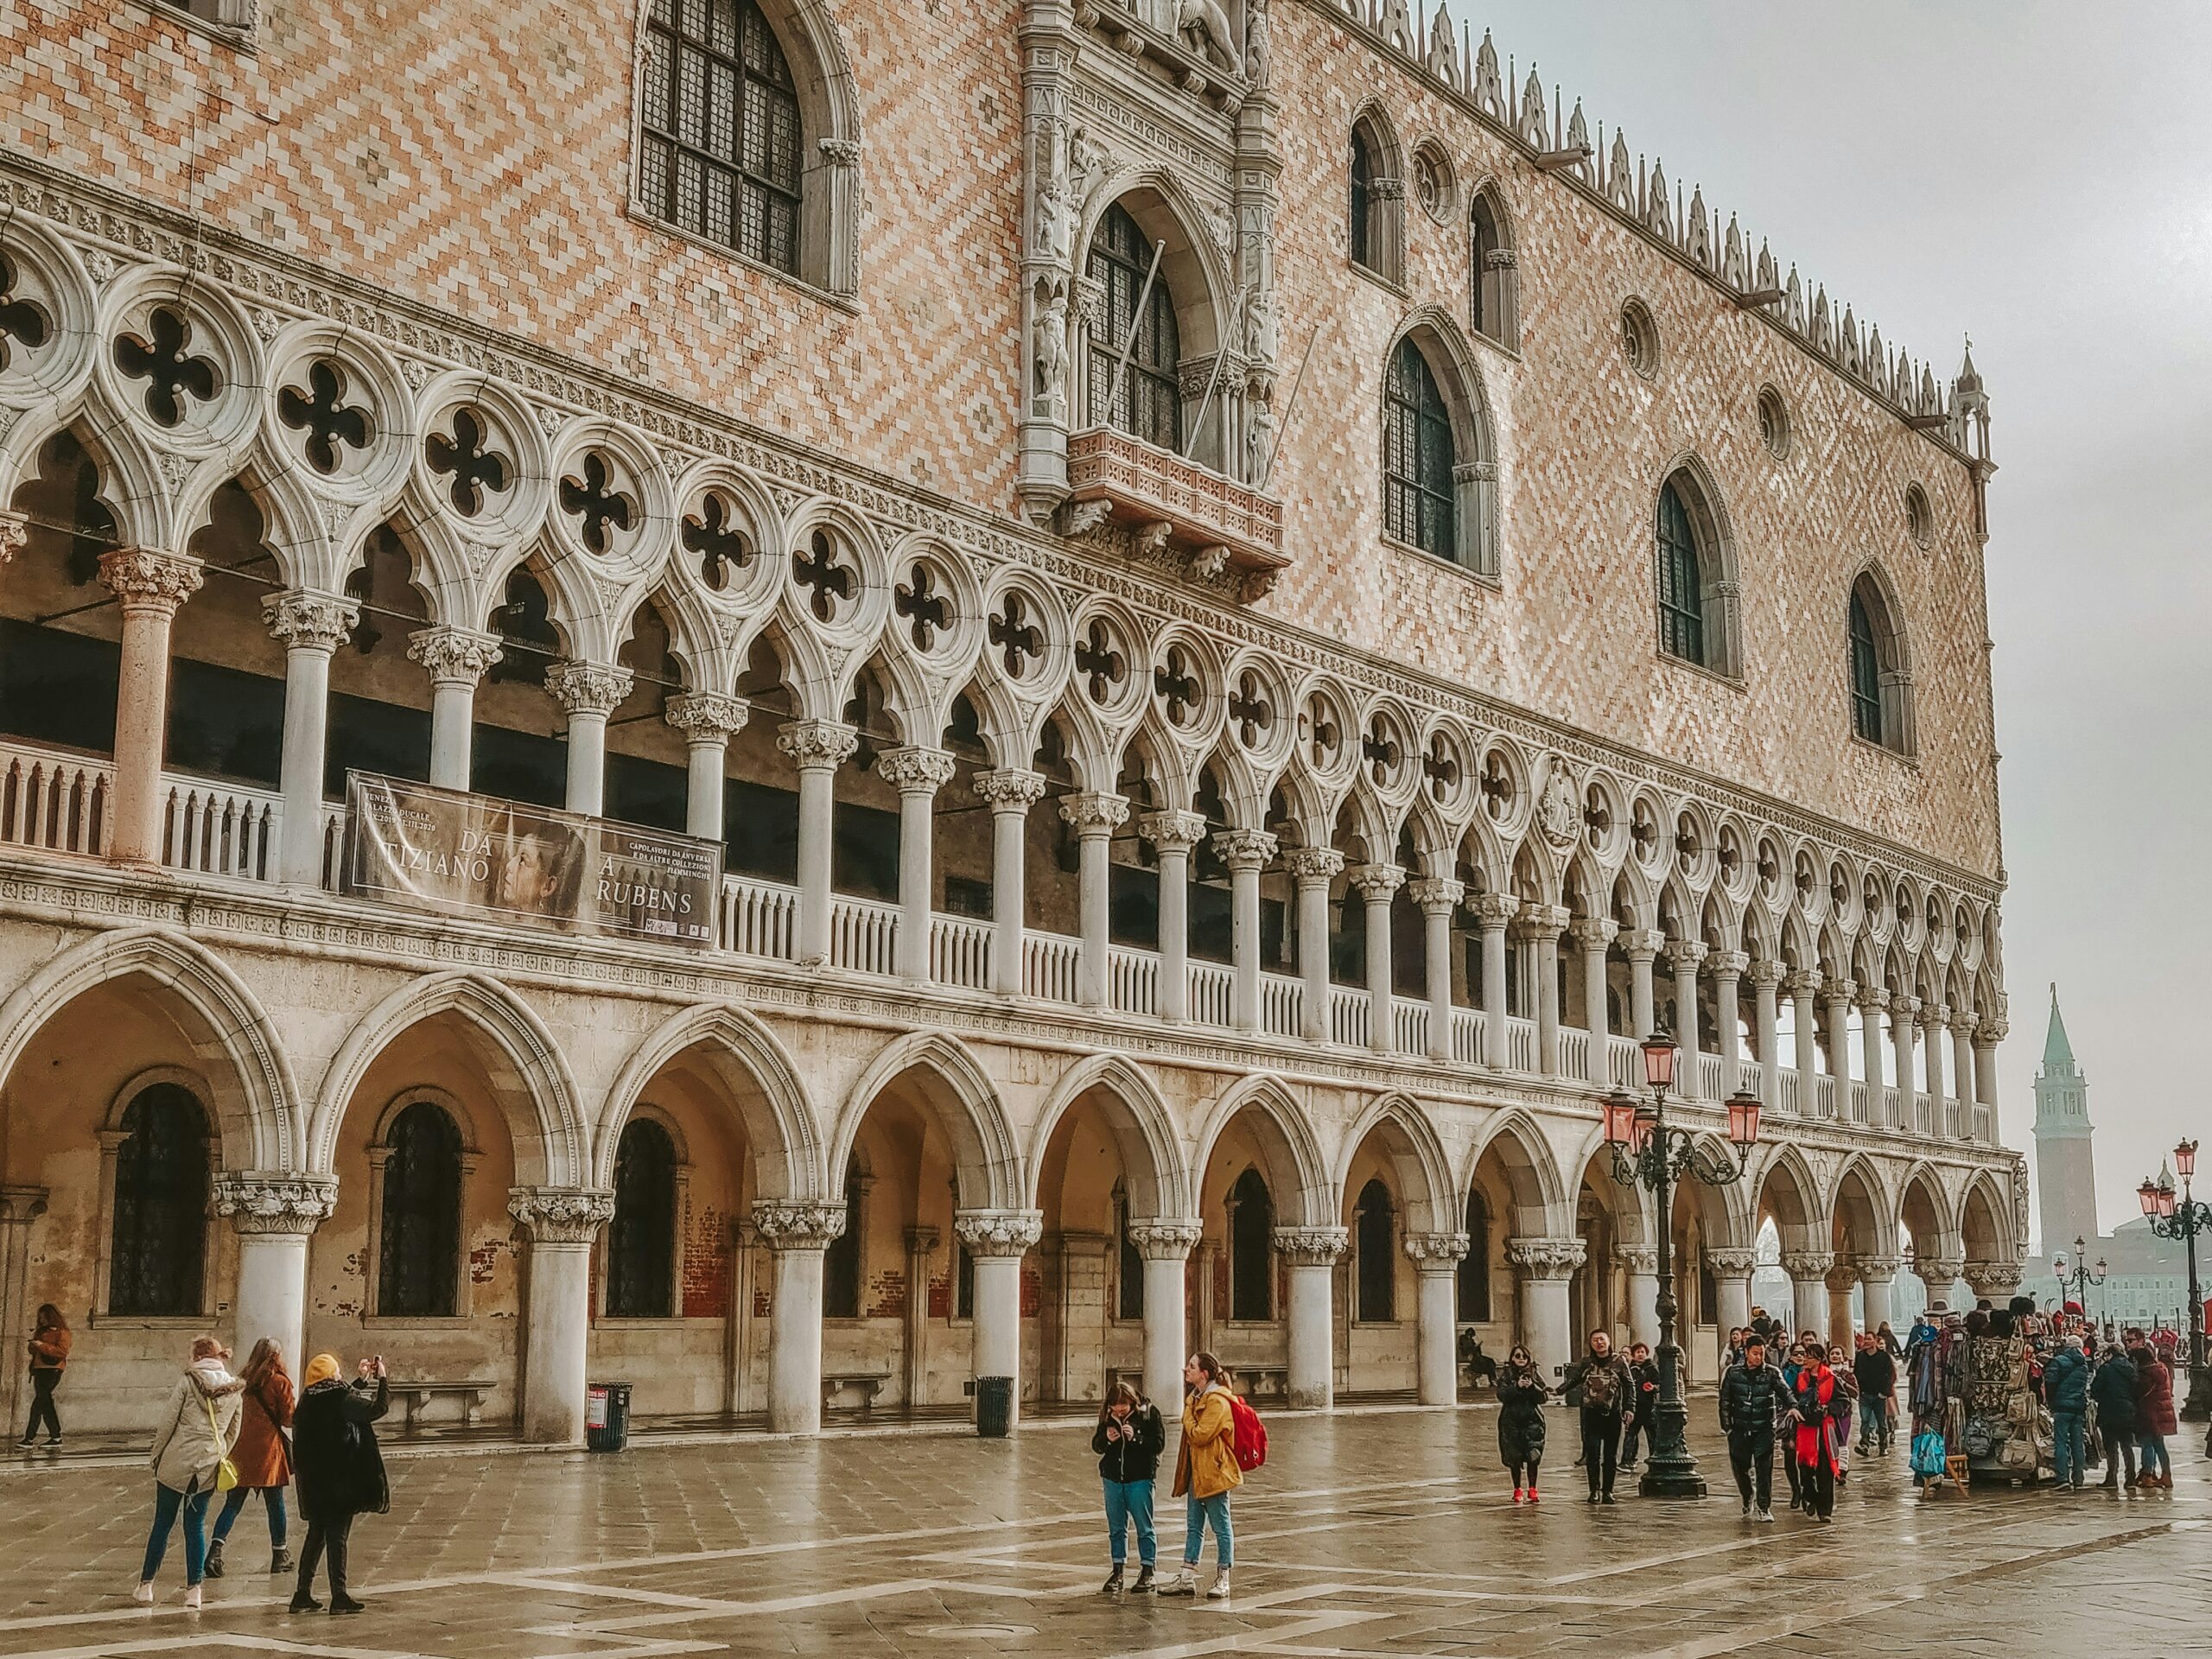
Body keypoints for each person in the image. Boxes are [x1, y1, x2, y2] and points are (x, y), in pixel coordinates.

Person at [137, 1336, 244, 1609]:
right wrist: (218, 1453)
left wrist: (157, 1456)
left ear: (197, 1357)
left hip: (177, 1460)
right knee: (195, 1526)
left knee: (162, 1523)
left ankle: (146, 1586)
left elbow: (168, 1423)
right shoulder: (235, 1390)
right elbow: (233, 1432)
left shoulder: (187, 1382)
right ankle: (194, 1591)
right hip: (208, 1464)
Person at [290, 1353, 391, 1614]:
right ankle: (339, 1595)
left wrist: (361, 1379)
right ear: (331, 1375)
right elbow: (377, 1409)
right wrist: (383, 1379)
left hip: (316, 1484)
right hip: (341, 1483)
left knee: (315, 1538)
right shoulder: (341, 1399)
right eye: (336, 1371)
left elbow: (340, 1399)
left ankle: (302, 1594)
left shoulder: (308, 1400)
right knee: (338, 1538)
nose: (339, 1375)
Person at [208, 1338, 296, 1577]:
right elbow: (288, 1419)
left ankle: (215, 1552)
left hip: (241, 1450)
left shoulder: (241, 1382)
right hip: (268, 1451)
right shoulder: (280, 1382)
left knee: (232, 1504)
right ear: (276, 1357)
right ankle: (280, 1554)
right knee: (275, 1504)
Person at [1158, 1353, 1240, 1600]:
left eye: (1192, 1367)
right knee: (1194, 1526)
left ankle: (1223, 1577)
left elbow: (1200, 1435)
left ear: (1204, 1374)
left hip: (1215, 1472)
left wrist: (1187, 1415)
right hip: (1197, 1471)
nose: (1186, 1369)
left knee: (1221, 1526)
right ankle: (1186, 1576)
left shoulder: (1217, 1401)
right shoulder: (1197, 1398)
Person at [1093, 1381, 1165, 1593]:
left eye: (1123, 1404)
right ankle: (1118, 1571)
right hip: (1113, 1478)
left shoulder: (1149, 1414)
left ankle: (1148, 1570)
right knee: (1116, 1528)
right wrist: (1106, 1439)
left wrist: (1137, 1438)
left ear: (1132, 1401)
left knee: (1144, 1527)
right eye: (1115, 1405)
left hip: (1140, 1477)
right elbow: (1097, 1445)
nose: (1119, 1409)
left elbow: (1158, 1444)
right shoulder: (1107, 1417)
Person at [1717, 1332, 1787, 1521]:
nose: (1758, 1357)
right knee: (1740, 1466)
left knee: (1764, 1468)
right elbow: (1724, 1401)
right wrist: (1727, 1427)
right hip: (1739, 1427)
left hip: (1764, 1427)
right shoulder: (1733, 1372)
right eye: (1755, 1353)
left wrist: (1793, 1408)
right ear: (1747, 1352)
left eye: (1761, 1353)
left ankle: (1764, 1507)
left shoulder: (1771, 1373)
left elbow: (1785, 1393)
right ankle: (1747, 1495)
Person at [1560, 1332, 1633, 1503]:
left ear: (1609, 1342)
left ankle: (1608, 1491)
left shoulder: (1619, 1362)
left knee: (1610, 1455)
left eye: (1602, 1339)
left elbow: (1629, 1385)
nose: (1599, 1343)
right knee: (1592, 1455)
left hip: (1612, 1414)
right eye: (1595, 1340)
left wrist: (1630, 1408)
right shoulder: (1587, 1362)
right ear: (1591, 1343)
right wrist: (1556, 1391)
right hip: (1591, 1414)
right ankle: (1594, 1491)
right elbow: (1574, 1380)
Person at [1787, 1345, 1843, 1522]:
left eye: (1809, 1357)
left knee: (1825, 1470)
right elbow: (1791, 1399)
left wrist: (1829, 1409)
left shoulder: (1830, 1378)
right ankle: (1810, 1496)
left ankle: (1825, 1510)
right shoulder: (1799, 1379)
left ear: (1818, 1359)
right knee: (1805, 1468)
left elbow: (1844, 1401)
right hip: (1805, 1429)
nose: (1805, 1359)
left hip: (1824, 1429)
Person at [1496, 1344, 1549, 1503]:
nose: (1521, 1359)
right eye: (1518, 1356)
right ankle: (1517, 1489)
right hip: (1511, 1422)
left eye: (1524, 1356)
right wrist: (1516, 1387)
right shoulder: (1507, 1375)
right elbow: (1501, 1395)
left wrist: (1532, 1387)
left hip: (1532, 1421)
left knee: (1533, 1456)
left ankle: (1533, 1488)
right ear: (1512, 1358)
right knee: (1514, 1457)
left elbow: (1543, 1397)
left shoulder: (1534, 1374)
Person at [2042, 1332, 2089, 1492]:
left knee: (2061, 1442)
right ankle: (2078, 1478)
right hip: (2078, 1407)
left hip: (2062, 1407)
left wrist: (2050, 1401)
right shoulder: (2083, 1365)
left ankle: (2062, 1478)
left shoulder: (2059, 1361)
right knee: (2077, 1443)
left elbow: (2050, 1383)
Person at [2090, 1341, 2139, 1490]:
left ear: (2110, 1354)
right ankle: (2130, 1478)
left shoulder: (2106, 1368)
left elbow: (2096, 1389)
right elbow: (2136, 1389)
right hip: (2128, 1411)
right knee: (2127, 1446)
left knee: (2111, 1447)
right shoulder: (2131, 1368)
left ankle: (2111, 1478)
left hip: (2109, 1411)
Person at [20, 1303, 68, 1446]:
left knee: (39, 1403)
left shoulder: (62, 1332)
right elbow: (32, 1351)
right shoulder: (40, 1332)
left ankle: (29, 1438)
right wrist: (34, 1345)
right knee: (45, 1403)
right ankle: (55, 1436)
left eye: (44, 1318)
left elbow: (62, 1351)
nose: (42, 1321)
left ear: (51, 1317)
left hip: (53, 1370)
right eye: (40, 1318)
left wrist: (41, 1345)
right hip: (39, 1369)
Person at [2133, 1339, 2176, 1491]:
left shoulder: (2146, 1374)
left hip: (2148, 1412)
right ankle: (2166, 1474)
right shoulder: (2160, 1368)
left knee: (2147, 1443)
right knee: (2159, 1444)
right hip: (2161, 1411)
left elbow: (2139, 1393)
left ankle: (2147, 1475)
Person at [1853, 1332, 1897, 1456]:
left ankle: (1883, 1446)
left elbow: (1890, 1375)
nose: (1867, 1341)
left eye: (1869, 1339)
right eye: (1865, 1339)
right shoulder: (1860, 1356)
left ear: (1875, 1341)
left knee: (1881, 1422)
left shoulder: (1884, 1357)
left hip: (1879, 1395)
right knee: (1865, 1420)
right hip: (1865, 1394)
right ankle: (1865, 1445)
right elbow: (1856, 1374)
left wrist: (1884, 1392)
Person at [1619, 1342, 1658, 1471]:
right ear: (1634, 1355)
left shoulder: (1651, 1369)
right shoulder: (1630, 1370)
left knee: (1652, 1436)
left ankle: (1655, 1460)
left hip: (1648, 1408)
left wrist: (1653, 1387)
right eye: (1638, 1352)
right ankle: (1627, 1460)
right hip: (1635, 1408)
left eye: (1643, 1352)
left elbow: (1660, 1384)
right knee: (1630, 1435)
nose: (1640, 1354)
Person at [1778, 1342, 1808, 1511]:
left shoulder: (1810, 1372)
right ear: (1790, 1356)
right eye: (1796, 1353)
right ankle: (1795, 1490)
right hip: (1790, 1417)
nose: (1800, 1356)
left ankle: (1806, 1489)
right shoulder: (1785, 1373)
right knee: (1790, 1453)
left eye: (1803, 1353)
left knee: (1805, 1456)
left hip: (1806, 1417)